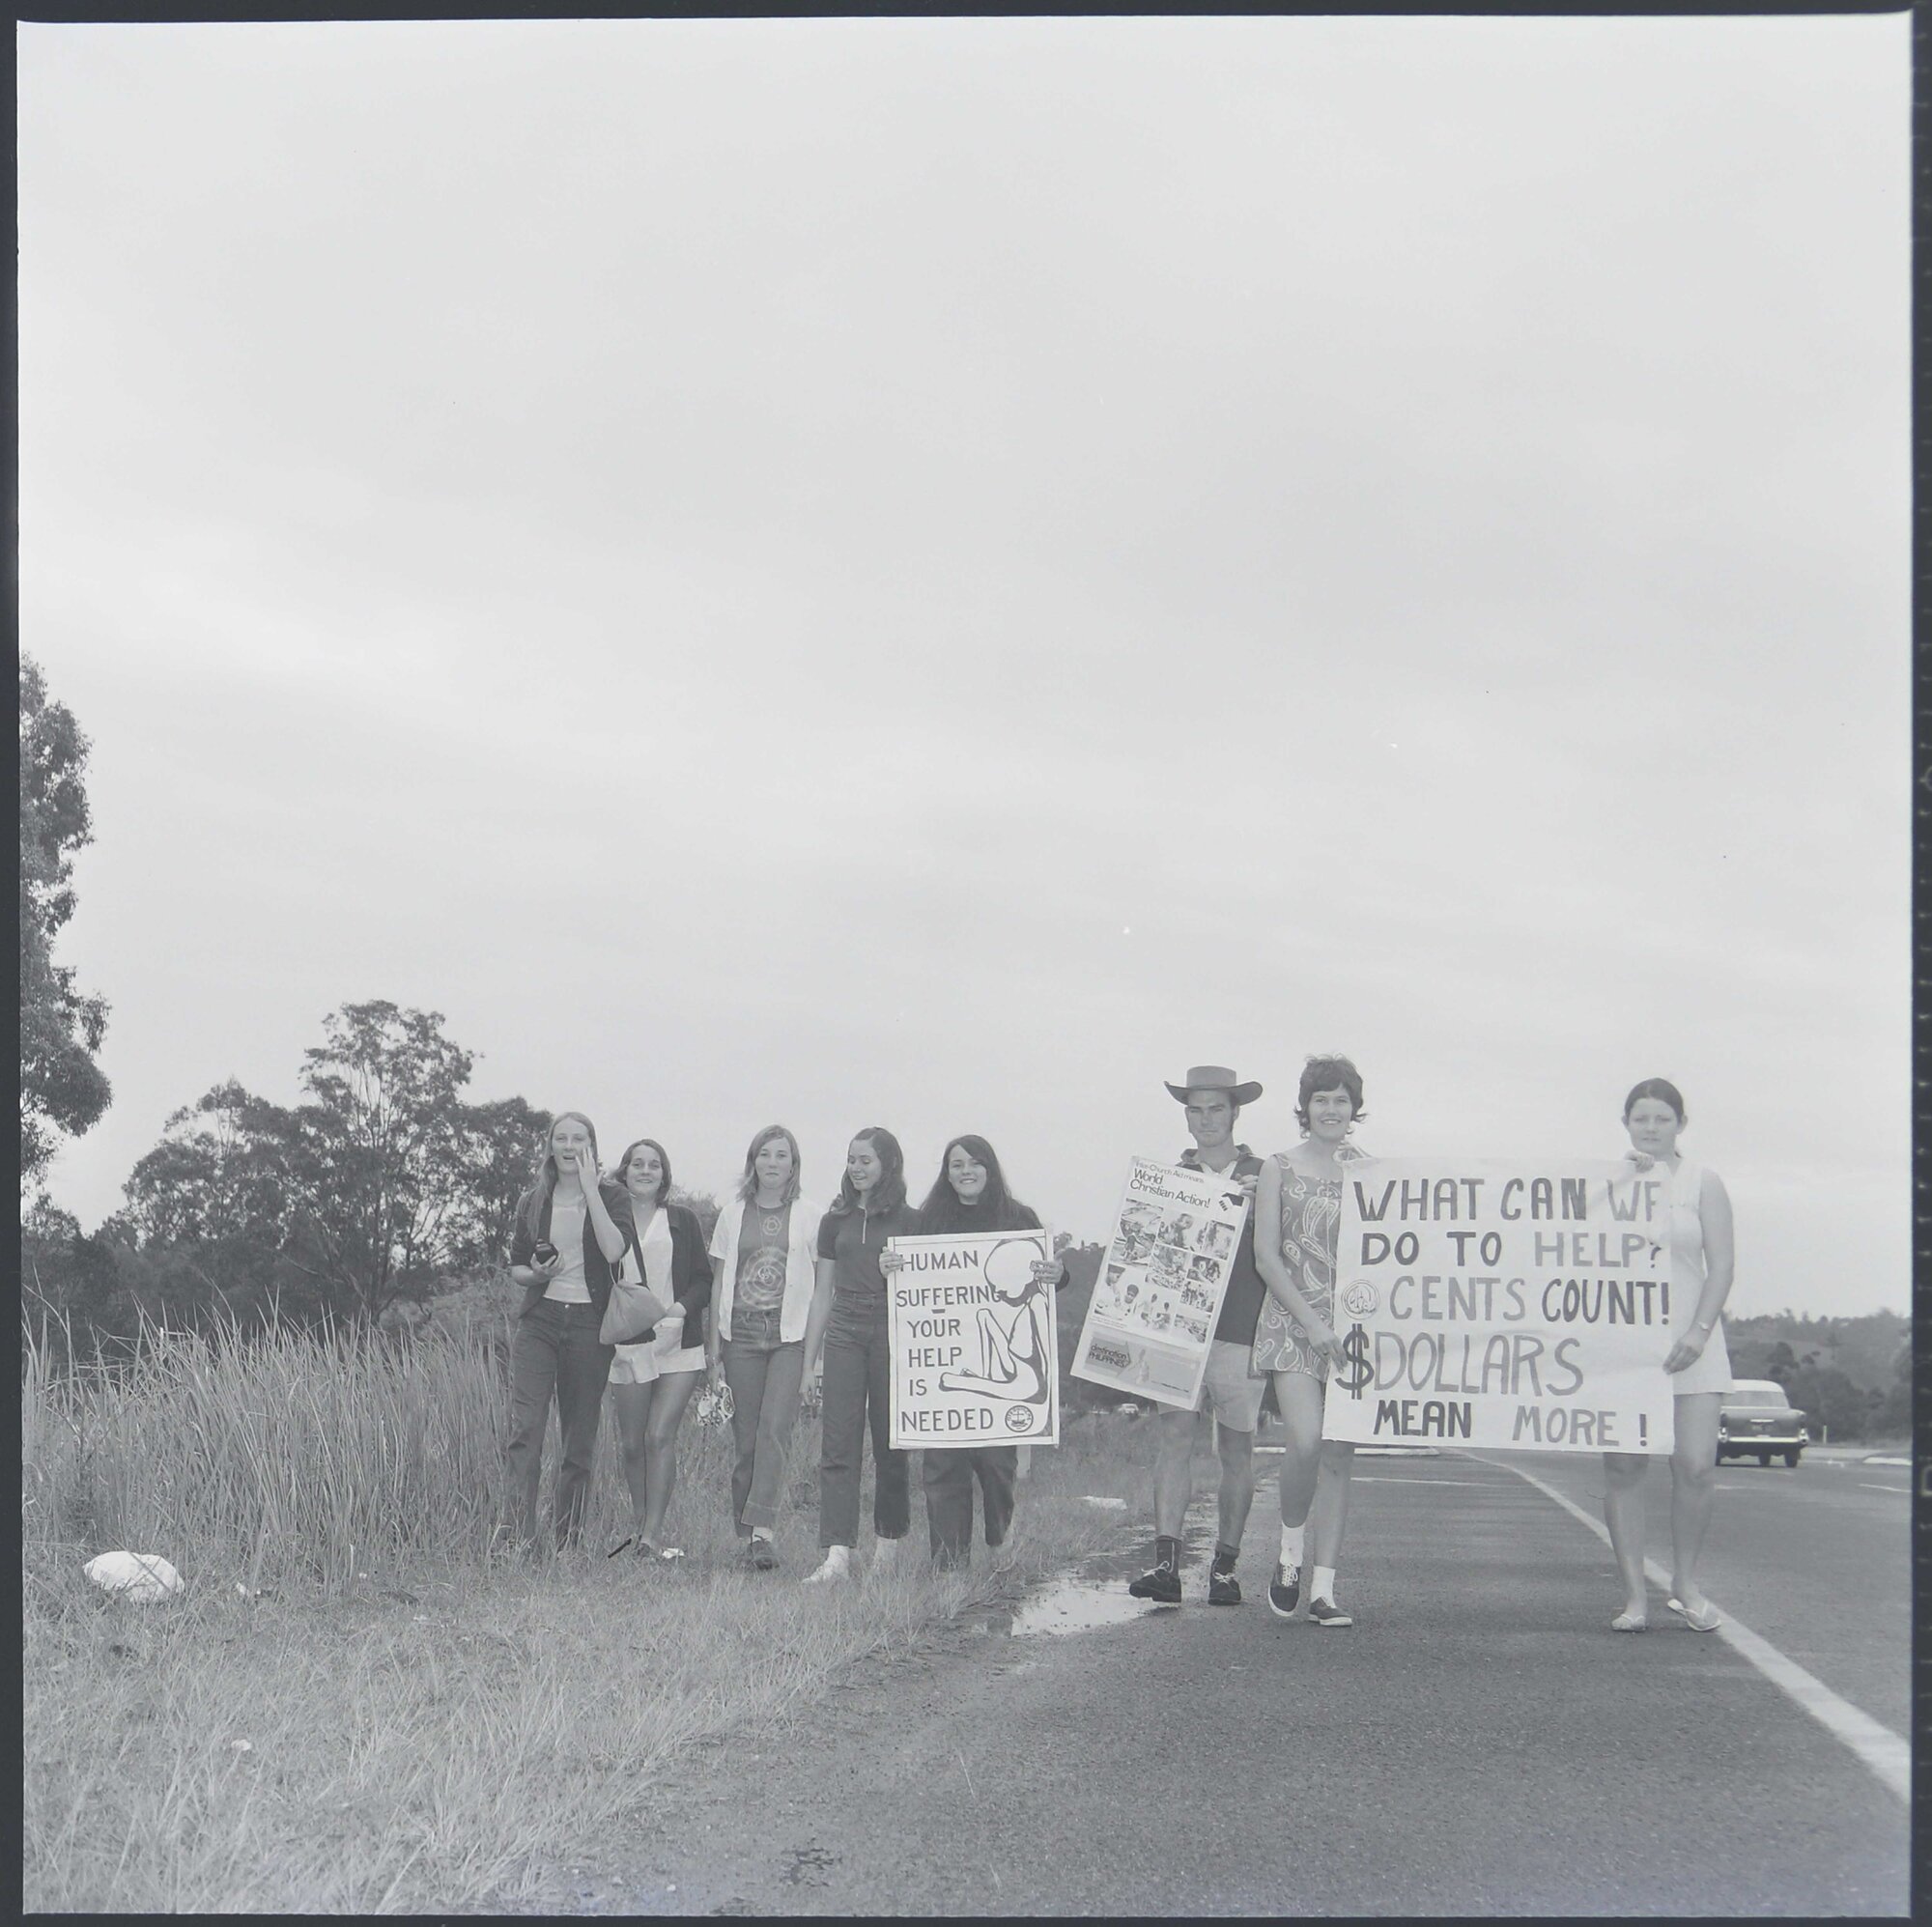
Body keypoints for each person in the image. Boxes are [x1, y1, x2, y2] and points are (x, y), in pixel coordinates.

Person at [885, 1135, 1065, 1569]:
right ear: (946, 1174)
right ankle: (949, 1564)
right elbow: (904, 1277)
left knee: (996, 1463)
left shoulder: (1019, 1217)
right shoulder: (927, 1221)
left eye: (974, 1163)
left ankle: (1000, 1537)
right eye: (956, 1164)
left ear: (990, 1167)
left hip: (1005, 1355)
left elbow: (1048, 1279)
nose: (965, 1171)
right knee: (942, 1467)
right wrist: (887, 1266)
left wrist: (1058, 1273)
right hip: (945, 1365)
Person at [1127, 1066, 1268, 1607]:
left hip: (1239, 1328)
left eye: (1216, 1109)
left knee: (1237, 1449)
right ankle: (1166, 1565)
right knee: (1174, 1444)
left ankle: (1225, 1569)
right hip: (1176, 1328)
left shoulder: (1265, 1174)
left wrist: (1259, 1210)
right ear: (1186, 1116)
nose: (1206, 1119)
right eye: (1196, 1109)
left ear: (1235, 1113)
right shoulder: (1167, 1178)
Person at [1601, 1078, 1736, 1633]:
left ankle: (1685, 1583)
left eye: (1661, 1118)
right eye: (1640, 1119)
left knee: (1696, 1466)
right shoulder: (1605, 1183)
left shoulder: (1703, 1182)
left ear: (1681, 1123)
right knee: (1627, 1466)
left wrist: (1699, 1332)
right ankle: (1635, 1596)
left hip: (1692, 1342)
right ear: (1626, 1123)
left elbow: (1722, 1265)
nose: (1651, 1128)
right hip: (1626, 1347)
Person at [1252, 1055, 1372, 1628]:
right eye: (1322, 1099)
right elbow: (1266, 1256)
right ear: (1306, 1108)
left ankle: (1324, 1588)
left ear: (1355, 1110)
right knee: (1304, 1441)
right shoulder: (1278, 1167)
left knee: (1341, 1453)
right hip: (1291, 1324)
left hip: (1353, 1332)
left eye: (1341, 1099)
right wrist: (1313, 1325)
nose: (1331, 1109)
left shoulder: (1374, 1173)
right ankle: (1290, 1554)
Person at [500, 1112, 636, 1551]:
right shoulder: (533, 1200)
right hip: (540, 1321)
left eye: (579, 1138)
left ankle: (568, 1539)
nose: (569, 1145)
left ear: (592, 1146)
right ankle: (520, 1539)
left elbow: (615, 1250)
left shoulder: (613, 1197)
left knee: (579, 1436)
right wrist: (538, 1273)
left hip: (589, 1324)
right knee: (527, 1431)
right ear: (550, 1146)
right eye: (561, 1137)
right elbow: (518, 1267)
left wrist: (592, 1190)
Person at [801, 1127, 923, 1584]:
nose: (856, 1167)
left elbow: (930, 1284)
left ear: (888, 1165)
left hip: (894, 1329)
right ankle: (837, 1555)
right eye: (852, 1159)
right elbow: (821, 1295)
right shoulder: (834, 1222)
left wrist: (900, 1271)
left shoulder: (912, 1221)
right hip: (845, 1328)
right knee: (838, 1443)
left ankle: (888, 1549)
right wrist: (810, 1362)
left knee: (892, 1442)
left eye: (866, 1160)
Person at [706, 1125, 822, 1571]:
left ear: (794, 1164)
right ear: (752, 1161)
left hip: (788, 1337)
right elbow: (719, 1282)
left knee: (775, 1430)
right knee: (747, 1438)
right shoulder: (733, 1215)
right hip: (741, 1335)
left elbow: (820, 1287)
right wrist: (713, 1351)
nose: (773, 1163)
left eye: (782, 1155)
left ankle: (762, 1534)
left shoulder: (811, 1215)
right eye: (765, 1155)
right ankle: (744, 1533)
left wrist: (816, 1356)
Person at [604, 1137, 714, 1563]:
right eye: (637, 1164)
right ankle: (639, 1526)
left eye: (654, 1165)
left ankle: (651, 1536)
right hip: (629, 1343)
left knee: (658, 1435)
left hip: (677, 1342)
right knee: (632, 1443)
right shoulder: (611, 1220)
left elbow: (703, 1279)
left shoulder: (683, 1220)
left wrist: (680, 1310)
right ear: (624, 1171)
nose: (645, 1171)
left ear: (664, 1174)